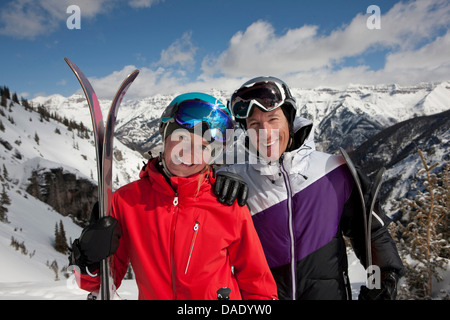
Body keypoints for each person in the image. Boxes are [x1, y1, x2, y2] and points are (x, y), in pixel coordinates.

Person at [69, 92, 278, 300]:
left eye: (203, 147)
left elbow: (258, 283)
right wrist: (90, 259)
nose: (189, 153)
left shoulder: (227, 203)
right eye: (181, 139)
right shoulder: (126, 202)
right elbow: (101, 284)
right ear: (165, 135)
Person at [217, 76, 405, 300]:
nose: (265, 132)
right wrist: (212, 185)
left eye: (273, 119)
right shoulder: (233, 182)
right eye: (254, 124)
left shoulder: (334, 171)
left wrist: (380, 281)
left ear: (290, 119)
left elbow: (370, 233)